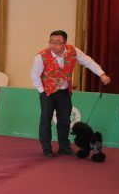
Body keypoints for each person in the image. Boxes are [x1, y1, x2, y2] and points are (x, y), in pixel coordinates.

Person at [31, 30, 111, 158]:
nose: (53, 45)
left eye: (57, 42)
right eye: (51, 41)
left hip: (64, 92)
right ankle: (46, 148)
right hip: (48, 93)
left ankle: (64, 147)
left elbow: (88, 62)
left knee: (65, 121)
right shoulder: (41, 56)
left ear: (65, 43)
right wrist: (42, 92)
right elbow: (34, 75)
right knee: (45, 121)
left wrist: (102, 74)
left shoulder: (73, 51)